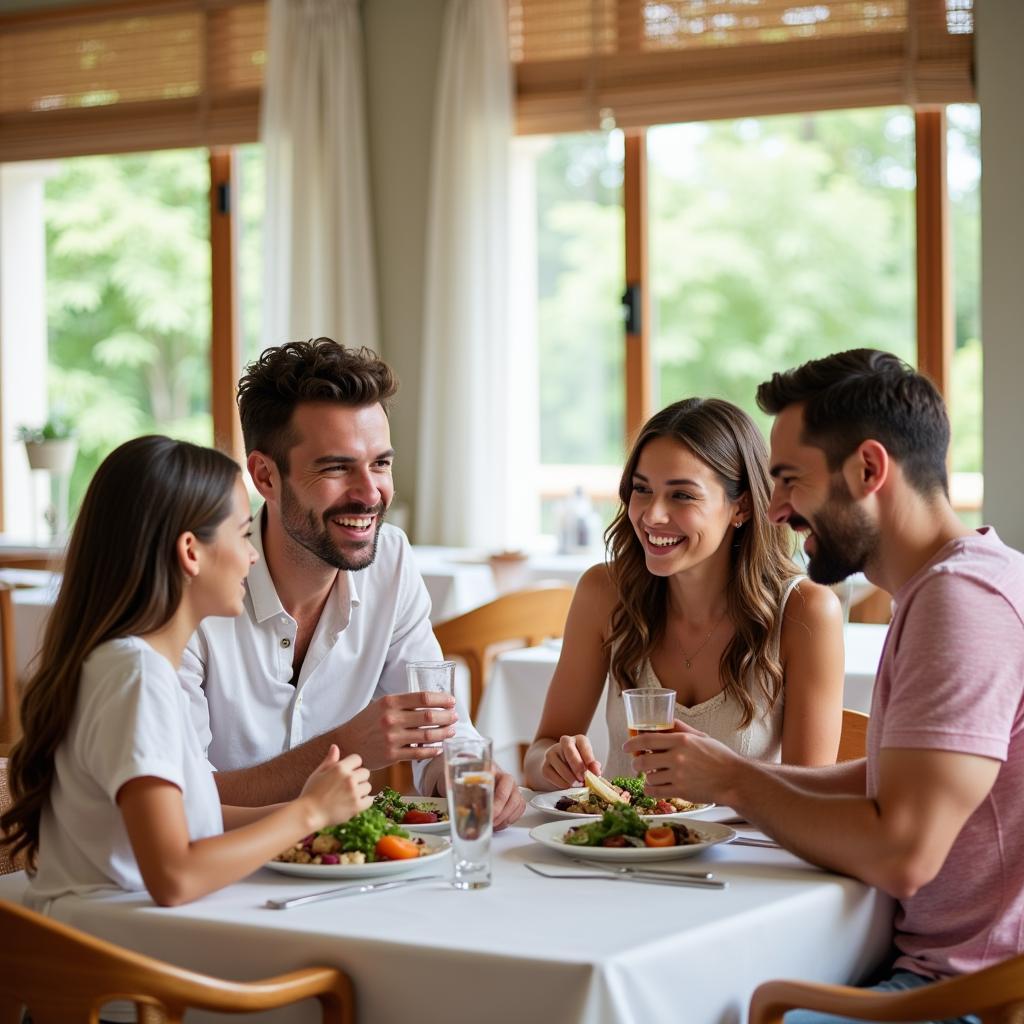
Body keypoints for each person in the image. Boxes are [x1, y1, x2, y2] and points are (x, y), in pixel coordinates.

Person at [626, 350, 1024, 1018]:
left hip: (960, 996)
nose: (776, 509)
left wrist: (733, 783)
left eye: (788, 479)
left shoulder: (962, 603)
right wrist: (721, 771)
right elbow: (884, 783)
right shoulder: (964, 580)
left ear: (868, 469)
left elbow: (903, 854)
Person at [1, 436, 372, 909]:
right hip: (123, 965)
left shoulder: (134, 667)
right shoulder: (135, 677)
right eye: (242, 534)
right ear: (191, 552)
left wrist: (313, 813)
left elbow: (190, 818)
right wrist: (307, 811)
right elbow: (173, 876)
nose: (253, 555)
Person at [179, 338, 524, 827]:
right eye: (337, 467)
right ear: (266, 476)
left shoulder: (392, 559)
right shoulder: (195, 588)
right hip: (216, 874)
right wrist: (346, 747)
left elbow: (439, 734)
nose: (370, 494)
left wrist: (468, 771)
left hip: (340, 872)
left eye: (380, 463)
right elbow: (181, 802)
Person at [524, 397, 844, 791]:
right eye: (642, 489)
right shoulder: (604, 593)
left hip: (744, 851)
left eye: (682, 495)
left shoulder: (805, 610)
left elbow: (808, 794)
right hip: (622, 848)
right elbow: (540, 751)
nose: (652, 515)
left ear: (740, 507)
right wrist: (553, 763)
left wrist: (726, 779)